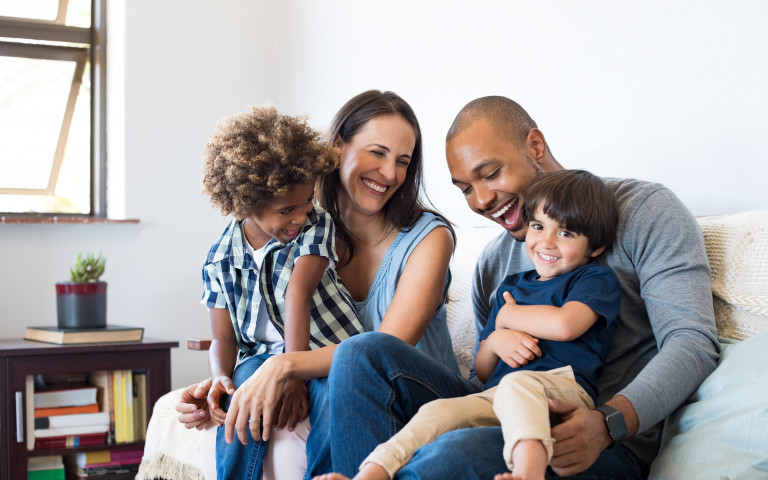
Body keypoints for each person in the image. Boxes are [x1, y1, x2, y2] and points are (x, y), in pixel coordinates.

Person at [322, 95, 720, 479]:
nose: (480, 200)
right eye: (464, 189)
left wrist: (607, 423)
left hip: (596, 442)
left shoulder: (644, 210)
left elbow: (692, 342)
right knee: (361, 354)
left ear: (535, 145)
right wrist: (494, 344)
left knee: (451, 454)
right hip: (503, 413)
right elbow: (486, 377)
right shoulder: (494, 262)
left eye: (491, 174)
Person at [176, 90, 468, 479]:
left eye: (403, 161)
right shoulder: (296, 229)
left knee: (352, 367)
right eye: (377, 153)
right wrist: (225, 382)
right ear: (336, 148)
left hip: (412, 396)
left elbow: (377, 355)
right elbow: (261, 332)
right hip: (331, 381)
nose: (391, 174)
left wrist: (284, 367)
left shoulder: (429, 239)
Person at [316, 169, 621, 480]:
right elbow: (484, 369)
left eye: (566, 233)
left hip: (561, 393)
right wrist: (496, 342)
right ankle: (368, 474)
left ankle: (529, 472)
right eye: (539, 226)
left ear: (594, 248)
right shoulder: (511, 287)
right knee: (437, 413)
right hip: (498, 395)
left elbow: (566, 326)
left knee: (520, 384)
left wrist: (506, 319)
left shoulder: (593, 278)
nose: (546, 242)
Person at [199, 106, 366, 479]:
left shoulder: (315, 226)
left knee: (330, 399)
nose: (301, 215)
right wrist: (219, 377)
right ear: (246, 204)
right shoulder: (219, 259)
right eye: (287, 209)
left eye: (308, 200)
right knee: (240, 391)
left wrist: (293, 374)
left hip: (326, 352)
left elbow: (298, 294)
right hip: (261, 358)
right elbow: (222, 336)